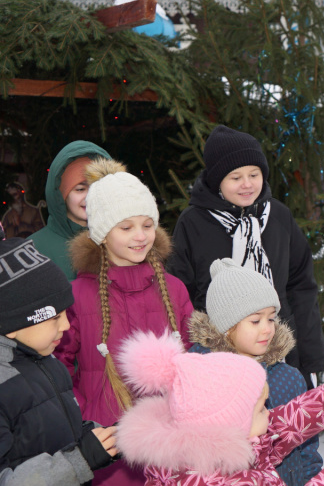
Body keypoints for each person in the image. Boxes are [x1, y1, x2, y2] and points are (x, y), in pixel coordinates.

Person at [55, 158, 195, 486]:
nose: (140, 236)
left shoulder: (173, 289)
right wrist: (83, 414)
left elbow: (194, 356)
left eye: (147, 225)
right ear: (103, 233)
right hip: (108, 448)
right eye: (126, 227)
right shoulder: (77, 295)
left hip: (168, 444)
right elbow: (58, 366)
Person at [116, 331, 324, 486]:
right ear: (228, 425)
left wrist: (316, 406)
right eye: (260, 408)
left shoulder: (191, 459)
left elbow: (265, 440)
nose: (269, 410)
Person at [169, 125, 324, 388]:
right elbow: (178, 293)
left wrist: (311, 359)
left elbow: (302, 288)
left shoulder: (278, 217)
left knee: (288, 422)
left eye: (254, 174)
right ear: (217, 180)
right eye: (235, 177)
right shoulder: (193, 223)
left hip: (279, 349)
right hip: (217, 356)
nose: (247, 184)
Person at [188, 258, 323, 486]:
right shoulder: (203, 378)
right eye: (255, 320)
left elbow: (307, 443)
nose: (267, 329)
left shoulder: (289, 377)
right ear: (226, 326)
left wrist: (309, 478)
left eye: (271, 318)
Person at [0, 237, 118, 485]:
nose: (65, 325)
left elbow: (59, 427)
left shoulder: (45, 359)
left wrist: (102, 436)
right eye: (54, 318)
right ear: (12, 324)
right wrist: (79, 460)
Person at [29, 140, 112, 280]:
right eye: (80, 189)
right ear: (61, 195)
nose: (90, 197)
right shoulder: (34, 250)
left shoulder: (122, 241)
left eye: (96, 187)